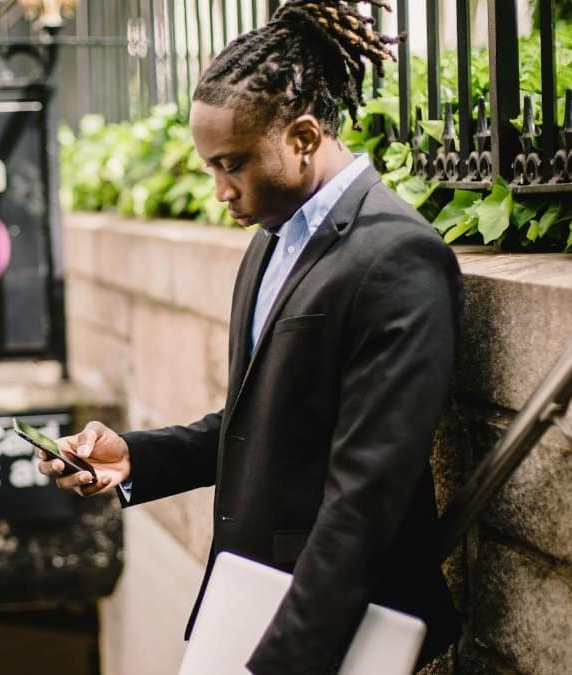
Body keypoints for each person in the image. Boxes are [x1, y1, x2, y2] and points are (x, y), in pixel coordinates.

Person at [36, 1, 462, 672]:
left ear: (301, 137)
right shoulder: (271, 241)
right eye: (210, 167)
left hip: (329, 634)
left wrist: (284, 660)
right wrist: (135, 458)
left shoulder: (398, 257)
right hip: (249, 607)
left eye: (230, 164)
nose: (219, 191)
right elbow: (262, 424)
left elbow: (366, 497)